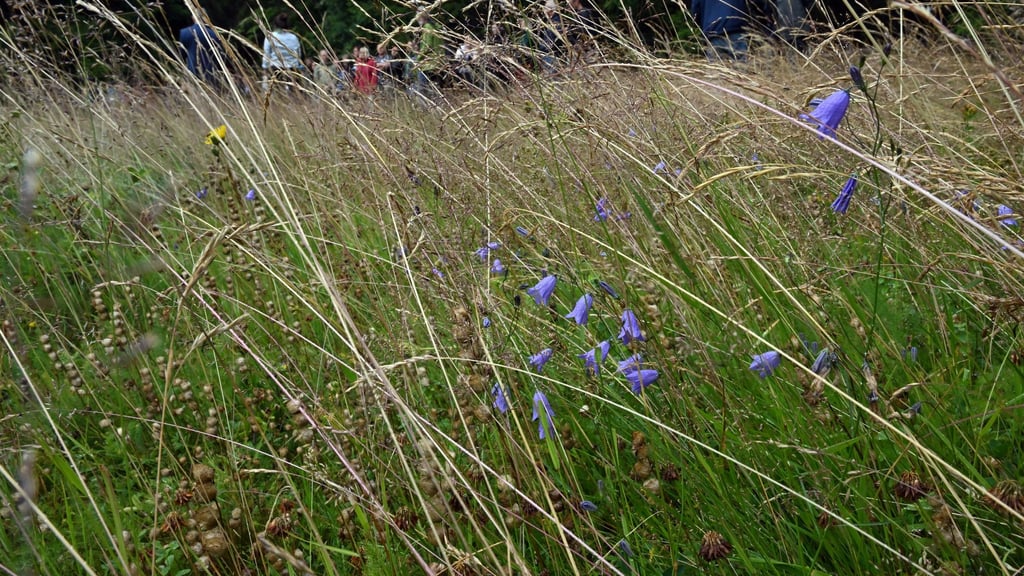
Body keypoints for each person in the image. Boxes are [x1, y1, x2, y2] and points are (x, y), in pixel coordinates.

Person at [262, 12, 303, 92]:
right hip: (293, 69)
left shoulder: (270, 37)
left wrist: (265, 68)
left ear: (275, 25)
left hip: (276, 69)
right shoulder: (294, 37)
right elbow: (298, 55)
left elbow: (266, 54)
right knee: (295, 95)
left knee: (277, 93)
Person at [178, 15, 223, 84]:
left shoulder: (184, 33)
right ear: (206, 18)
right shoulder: (213, 34)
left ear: (193, 18)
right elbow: (218, 56)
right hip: (210, 72)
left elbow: (182, 54)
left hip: (191, 69)